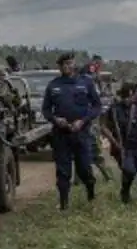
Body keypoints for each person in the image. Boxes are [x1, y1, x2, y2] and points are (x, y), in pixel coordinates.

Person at [41, 53, 103, 210]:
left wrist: (83, 121)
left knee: (84, 168)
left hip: (81, 133)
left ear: (74, 64)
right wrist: (55, 120)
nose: (67, 67)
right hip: (61, 134)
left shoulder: (86, 83)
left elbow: (97, 106)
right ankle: (63, 204)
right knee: (63, 170)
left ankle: (91, 195)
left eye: (70, 63)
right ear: (59, 67)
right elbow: (46, 110)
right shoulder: (53, 85)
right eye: (64, 64)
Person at [104, 82, 137, 203]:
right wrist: (114, 142)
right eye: (125, 96)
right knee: (129, 171)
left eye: (131, 96)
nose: (128, 99)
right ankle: (125, 193)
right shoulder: (114, 110)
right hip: (124, 148)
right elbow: (104, 127)